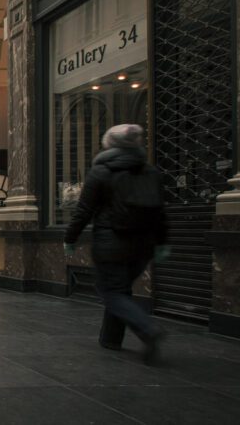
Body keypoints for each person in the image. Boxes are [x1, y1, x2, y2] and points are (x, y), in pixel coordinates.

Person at [63, 123, 170, 363]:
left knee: (111, 291)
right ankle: (110, 339)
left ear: (108, 145)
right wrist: (162, 242)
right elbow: (160, 212)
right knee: (120, 289)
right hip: (144, 244)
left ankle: (148, 329)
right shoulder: (151, 172)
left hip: (111, 241)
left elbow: (84, 210)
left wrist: (70, 238)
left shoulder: (101, 171)